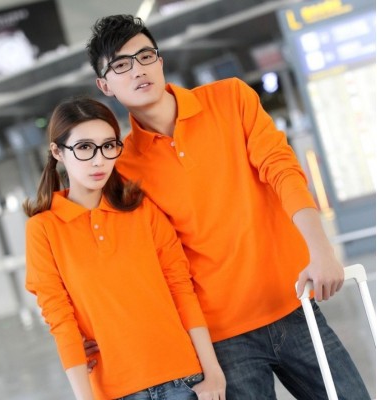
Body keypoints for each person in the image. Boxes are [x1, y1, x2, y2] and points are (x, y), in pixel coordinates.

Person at [83, 14, 371, 399]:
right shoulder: (123, 167)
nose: (138, 70)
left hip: (295, 303)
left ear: (160, 60)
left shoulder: (231, 98)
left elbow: (282, 171)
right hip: (222, 340)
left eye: (145, 56)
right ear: (104, 85)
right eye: (121, 65)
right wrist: (94, 329)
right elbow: (134, 262)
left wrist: (321, 251)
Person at [24, 96, 226, 400]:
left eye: (108, 146)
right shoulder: (43, 229)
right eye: (84, 147)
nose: (99, 160)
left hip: (184, 380)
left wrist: (213, 373)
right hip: (114, 391)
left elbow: (181, 289)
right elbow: (60, 318)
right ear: (57, 152)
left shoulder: (144, 211)